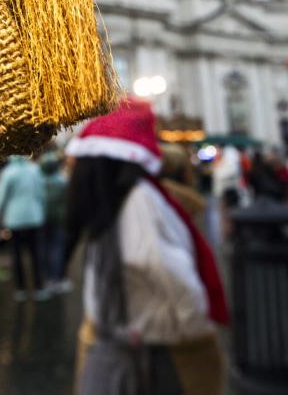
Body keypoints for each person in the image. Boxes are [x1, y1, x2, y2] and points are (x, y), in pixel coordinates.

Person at [67, 100, 229, 395]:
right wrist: (196, 328)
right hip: (150, 345)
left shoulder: (120, 200)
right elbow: (163, 268)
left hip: (129, 339)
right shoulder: (137, 198)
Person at [0, 154, 49, 301]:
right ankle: (39, 287)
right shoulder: (34, 170)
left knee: (16, 254)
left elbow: (0, 198)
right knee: (36, 253)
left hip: (15, 219)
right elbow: (42, 193)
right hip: (34, 216)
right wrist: (43, 211)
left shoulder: (8, 172)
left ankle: (20, 288)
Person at [39, 151, 71, 292]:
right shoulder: (62, 181)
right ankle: (57, 278)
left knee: (45, 248)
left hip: (42, 218)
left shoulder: (39, 181)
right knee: (57, 248)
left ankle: (47, 278)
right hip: (59, 219)